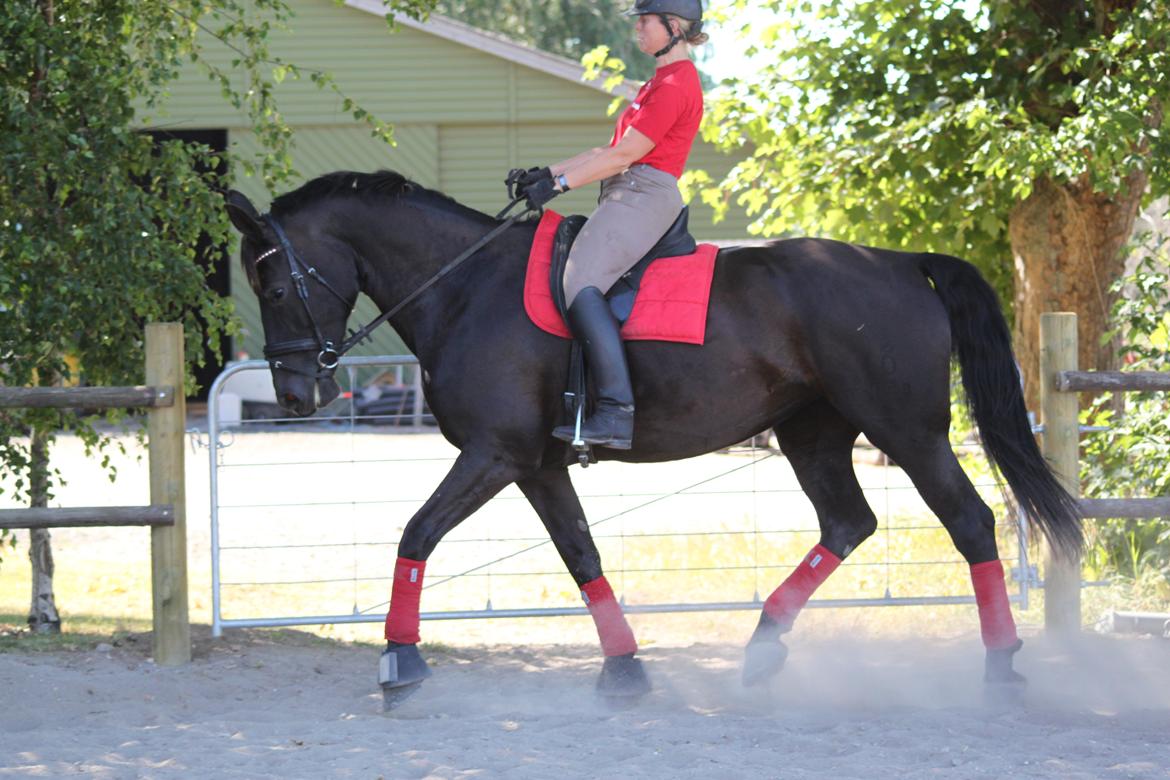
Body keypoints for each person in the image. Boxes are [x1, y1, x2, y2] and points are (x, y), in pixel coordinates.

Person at [510, 0, 708, 450]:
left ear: (673, 27)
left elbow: (624, 156)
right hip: (625, 189)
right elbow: (609, 150)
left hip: (644, 194)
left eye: (645, 20)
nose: (638, 28)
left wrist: (559, 185)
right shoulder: (657, 82)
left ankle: (616, 412)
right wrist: (545, 173)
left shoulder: (677, 83)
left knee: (579, 281)